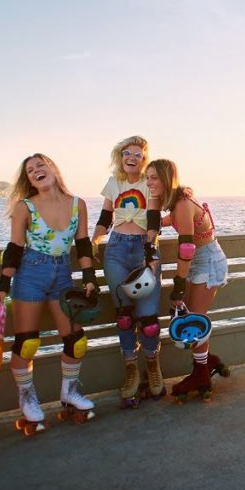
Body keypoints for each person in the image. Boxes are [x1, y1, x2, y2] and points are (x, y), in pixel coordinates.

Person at [0, 153, 97, 433]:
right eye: (30, 170)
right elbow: (13, 248)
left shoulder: (78, 205)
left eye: (41, 165)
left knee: (76, 341)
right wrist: (3, 286)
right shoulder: (24, 207)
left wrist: (89, 278)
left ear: (53, 168)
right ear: (29, 181)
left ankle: (70, 393)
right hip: (30, 275)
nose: (36, 171)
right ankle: (27, 400)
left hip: (62, 274)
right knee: (27, 343)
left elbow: (84, 243)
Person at [145, 159, 229, 402]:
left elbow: (187, 249)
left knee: (193, 320)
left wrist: (178, 288)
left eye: (154, 178)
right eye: (147, 177)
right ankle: (207, 361)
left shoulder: (181, 203)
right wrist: (151, 224)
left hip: (206, 261)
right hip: (199, 260)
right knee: (192, 316)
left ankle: (201, 373)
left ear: (166, 178)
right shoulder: (175, 200)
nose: (150, 182)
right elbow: (162, 219)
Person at [91, 136, 165, 408]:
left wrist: (151, 250)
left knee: (148, 319)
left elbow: (154, 218)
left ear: (145, 159)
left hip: (144, 248)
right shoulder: (113, 183)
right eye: (127, 153)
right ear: (120, 156)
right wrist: (94, 241)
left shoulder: (151, 182)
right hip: (117, 250)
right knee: (124, 316)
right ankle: (131, 370)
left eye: (138, 154)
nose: (132, 157)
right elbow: (104, 218)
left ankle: (153, 365)